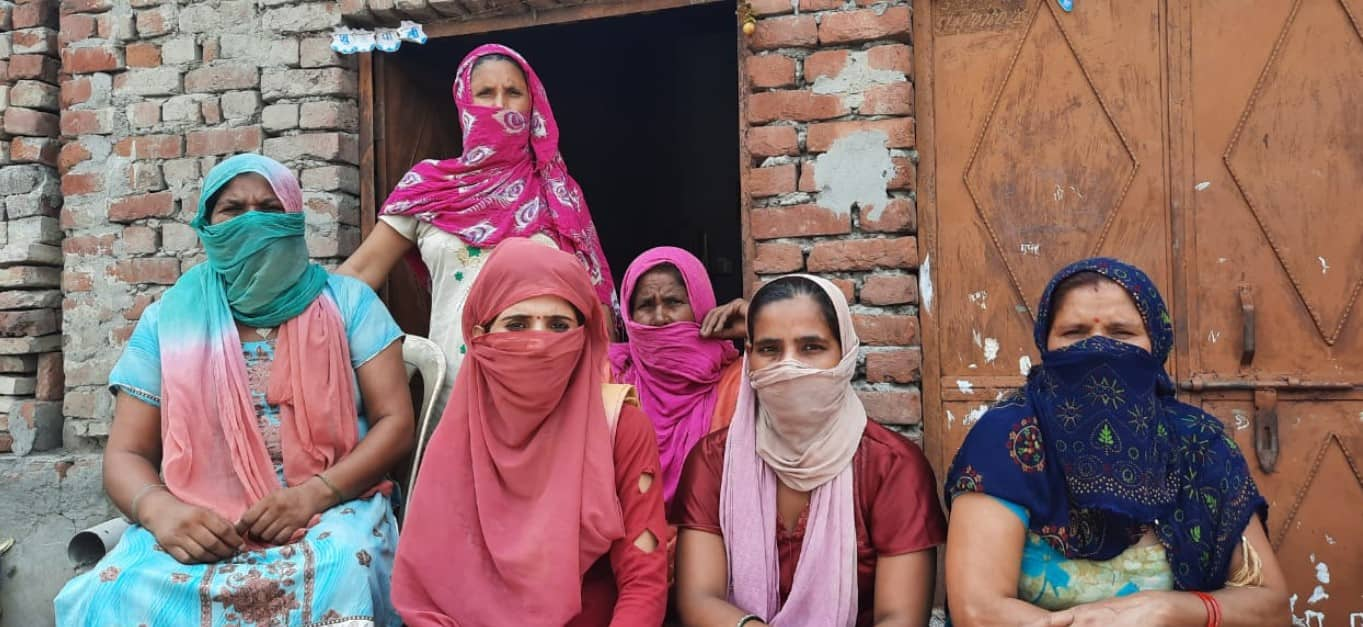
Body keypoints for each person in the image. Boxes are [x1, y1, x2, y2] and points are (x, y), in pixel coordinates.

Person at [54, 154, 414, 625]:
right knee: (111, 590)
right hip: (200, 518)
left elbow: (396, 422)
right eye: (233, 209)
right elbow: (126, 454)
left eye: (270, 207)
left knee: (343, 569)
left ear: (294, 219)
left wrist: (315, 495)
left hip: (331, 508)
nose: (253, 222)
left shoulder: (348, 302)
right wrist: (162, 512)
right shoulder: (167, 320)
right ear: (206, 224)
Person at [943, 258, 1288, 626]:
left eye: (1122, 333)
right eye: (1074, 333)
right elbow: (977, 612)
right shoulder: (1009, 439)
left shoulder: (1198, 443)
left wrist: (1172, 610)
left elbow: (1271, 608)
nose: (1098, 349)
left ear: (1156, 345)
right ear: (1046, 344)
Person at [392, 237, 668, 626]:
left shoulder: (619, 426)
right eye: (517, 325)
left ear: (583, 336)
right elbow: (428, 598)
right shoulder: (459, 438)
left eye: (558, 325)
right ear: (479, 335)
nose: (538, 343)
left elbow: (643, 580)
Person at [339, 43, 617, 396]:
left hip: (550, 396)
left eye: (513, 92)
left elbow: (596, 308)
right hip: (453, 393)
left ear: (534, 105)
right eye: (485, 93)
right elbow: (358, 276)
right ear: (463, 102)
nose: (500, 104)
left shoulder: (557, 195)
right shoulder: (430, 187)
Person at [672, 275, 946, 627]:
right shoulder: (714, 460)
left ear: (845, 353)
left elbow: (900, 619)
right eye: (770, 349)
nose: (789, 367)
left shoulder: (891, 466)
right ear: (749, 357)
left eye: (811, 348)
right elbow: (698, 598)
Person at [609, 246, 750, 505]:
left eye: (673, 302)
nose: (660, 317)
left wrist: (758, 323)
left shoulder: (740, 381)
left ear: (701, 304)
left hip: (715, 538)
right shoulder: (611, 377)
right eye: (646, 305)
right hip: (628, 541)